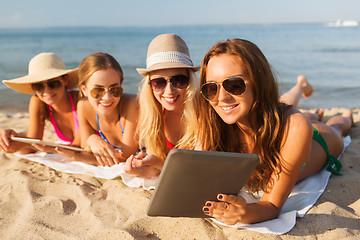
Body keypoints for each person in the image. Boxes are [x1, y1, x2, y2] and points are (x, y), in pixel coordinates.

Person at [197, 39, 354, 224]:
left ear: (259, 81)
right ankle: (301, 87)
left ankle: (347, 115)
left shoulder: (294, 126)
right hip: (275, 121)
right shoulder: (212, 124)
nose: (221, 97)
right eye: (211, 88)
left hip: (317, 141)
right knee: (281, 107)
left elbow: (271, 206)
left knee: (336, 127)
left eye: (235, 85)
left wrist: (243, 213)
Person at [124, 34, 199, 178]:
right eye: (159, 82)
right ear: (150, 85)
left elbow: (194, 175)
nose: (169, 91)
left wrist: (157, 163)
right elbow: (158, 169)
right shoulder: (155, 115)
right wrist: (139, 171)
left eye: (178, 80)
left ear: (190, 80)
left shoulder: (202, 114)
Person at [0, 52, 80, 154]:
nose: (46, 91)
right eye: (38, 86)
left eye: (53, 84)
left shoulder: (81, 101)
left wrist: (49, 148)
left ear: (65, 79)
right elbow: (30, 147)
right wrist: (11, 139)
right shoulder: (38, 102)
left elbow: (81, 148)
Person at [74, 52, 138, 166]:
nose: (107, 97)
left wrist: (74, 157)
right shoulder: (83, 107)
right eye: (98, 90)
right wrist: (92, 139)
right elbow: (85, 149)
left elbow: (126, 158)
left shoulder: (132, 105)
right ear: (84, 89)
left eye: (114, 89)